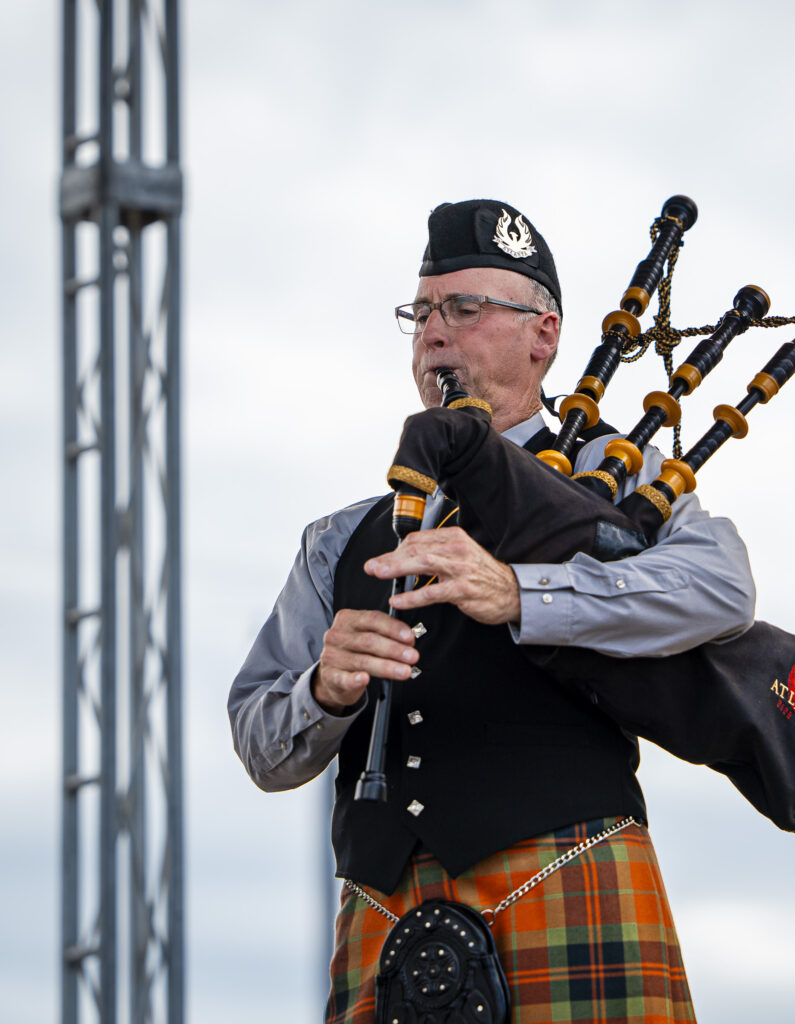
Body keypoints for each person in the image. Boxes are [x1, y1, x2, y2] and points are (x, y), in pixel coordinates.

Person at [229, 199, 756, 1023]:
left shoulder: (616, 477)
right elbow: (260, 744)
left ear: (543, 334)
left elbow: (720, 591)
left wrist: (522, 596)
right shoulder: (342, 540)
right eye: (422, 312)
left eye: (466, 309)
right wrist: (324, 693)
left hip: (569, 875)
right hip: (383, 910)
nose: (435, 332)